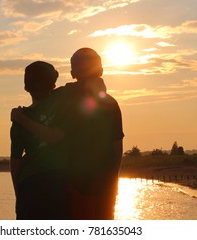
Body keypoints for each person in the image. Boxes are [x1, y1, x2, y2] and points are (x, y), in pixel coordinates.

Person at [11, 48, 124, 219]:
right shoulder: (110, 103)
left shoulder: (63, 99)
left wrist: (20, 118)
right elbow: (117, 148)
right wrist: (113, 181)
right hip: (101, 184)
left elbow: (16, 160)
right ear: (101, 71)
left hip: (73, 184)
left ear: (72, 73)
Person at [10, 61, 68, 220]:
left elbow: (15, 162)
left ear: (25, 88)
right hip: (56, 184)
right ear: (53, 85)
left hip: (32, 185)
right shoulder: (62, 103)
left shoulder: (19, 119)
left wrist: (19, 195)